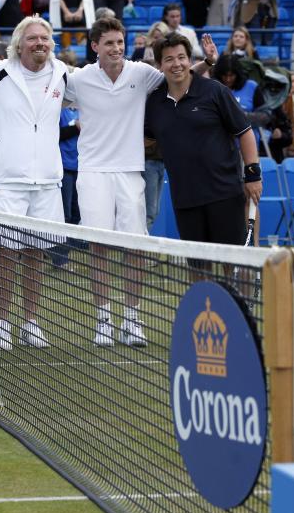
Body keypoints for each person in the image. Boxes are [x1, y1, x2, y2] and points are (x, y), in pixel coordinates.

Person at [65, 17, 216, 347]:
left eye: (119, 42)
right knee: (99, 247)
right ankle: (104, 319)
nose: (116, 48)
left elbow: (179, 76)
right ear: (95, 47)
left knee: (135, 248)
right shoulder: (77, 80)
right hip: (92, 172)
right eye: (109, 43)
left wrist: (207, 62)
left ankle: (131, 319)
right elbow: (48, 97)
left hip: (132, 171)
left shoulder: (141, 73)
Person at [0, 16, 68, 350]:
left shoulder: (62, 73)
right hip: (6, 181)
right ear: (19, 44)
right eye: (32, 39)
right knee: (6, 252)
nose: (39, 43)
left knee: (36, 253)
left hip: (46, 180)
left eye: (44, 38)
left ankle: (30, 322)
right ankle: (2, 324)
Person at [145, 32, 262, 249]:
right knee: (197, 267)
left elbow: (244, 132)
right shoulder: (154, 103)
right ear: (159, 65)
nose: (176, 64)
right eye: (169, 59)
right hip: (185, 199)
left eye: (181, 57)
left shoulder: (215, 91)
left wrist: (253, 174)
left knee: (236, 263)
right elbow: (147, 141)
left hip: (225, 194)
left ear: (190, 60)